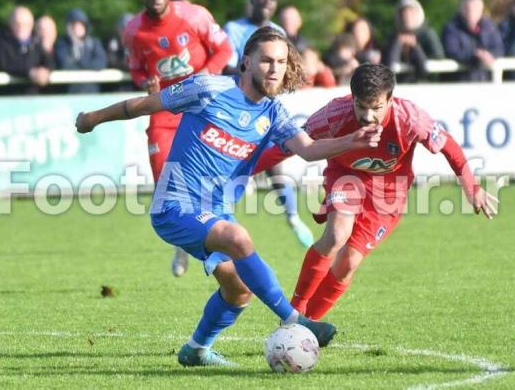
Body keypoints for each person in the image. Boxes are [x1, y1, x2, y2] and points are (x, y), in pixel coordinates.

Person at [75, 26, 382, 366]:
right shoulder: (208, 88)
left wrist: (352, 141)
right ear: (246, 62)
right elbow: (143, 105)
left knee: (239, 290)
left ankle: (196, 351)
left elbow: (308, 150)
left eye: (280, 62)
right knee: (237, 237)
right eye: (266, 60)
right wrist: (93, 118)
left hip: (216, 212)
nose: (274, 69)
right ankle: (294, 319)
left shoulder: (273, 112)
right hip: (175, 207)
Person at [253, 63, 498, 321]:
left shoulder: (410, 119)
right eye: (361, 106)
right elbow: (289, 145)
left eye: (377, 107)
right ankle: (294, 313)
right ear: (352, 98)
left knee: (348, 263)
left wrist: (472, 188)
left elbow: (449, 147)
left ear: (390, 99)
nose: (368, 116)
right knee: (336, 235)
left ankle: (307, 325)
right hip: (346, 176)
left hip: (388, 194)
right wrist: (246, 170)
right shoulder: (333, 114)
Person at [122, 0, 232, 277]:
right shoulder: (133, 30)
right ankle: (186, 241)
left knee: (208, 176)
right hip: (164, 108)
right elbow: (135, 68)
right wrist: (146, 81)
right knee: (164, 180)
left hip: (199, 105)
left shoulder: (194, 16)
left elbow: (224, 48)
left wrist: (206, 75)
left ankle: (204, 241)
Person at [224, 0, 314, 249]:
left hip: (267, 106)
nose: (266, 2)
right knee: (231, 167)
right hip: (238, 106)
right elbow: (228, 65)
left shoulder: (279, 32)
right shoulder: (234, 28)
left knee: (276, 163)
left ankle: (294, 218)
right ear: (251, 1)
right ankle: (211, 222)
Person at [0, 6, 54, 95]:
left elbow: (49, 62)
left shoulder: (36, 42)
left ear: (31, 25)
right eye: (17, 23)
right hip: (8, 97)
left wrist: (46, 71)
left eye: (26, 24)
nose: (21, 27)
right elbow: (4, 64)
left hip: (34, 98)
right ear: (10, 24)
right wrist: (30, 72)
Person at [442, 0, 504, 81]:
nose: (471, 12)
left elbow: (499, 48)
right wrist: (476, 56)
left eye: (476, 9)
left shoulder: (489, 27)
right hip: (460, 82)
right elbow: (451, 51)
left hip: (484, 81)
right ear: (461, 9)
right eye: (468, 9)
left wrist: (490, 55)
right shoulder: (451, 28)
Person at [383, 0, 444, 82]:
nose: (407, 17)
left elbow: (438, 56)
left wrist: (416, 47)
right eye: (404, 13)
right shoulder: (393, 36)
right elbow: (388, 65)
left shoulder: (428, 34)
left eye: (411, 13)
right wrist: (398, 44)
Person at [55, 8, 107, 93]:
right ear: (68, 27)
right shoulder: (62, 43)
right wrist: (88, 64)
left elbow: (101, 63)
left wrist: (80, 63)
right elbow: (64, 64)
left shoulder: (94, 43)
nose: (77, 28)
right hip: (69, 93)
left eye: (80, 24)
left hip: (92, 92)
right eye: (74, 24)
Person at [104, 13, 135, 92]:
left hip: (134, 90)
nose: (126, 32)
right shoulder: (112, 43)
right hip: (114, 90)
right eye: (123, 29)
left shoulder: (138, 45)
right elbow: (110, 62)